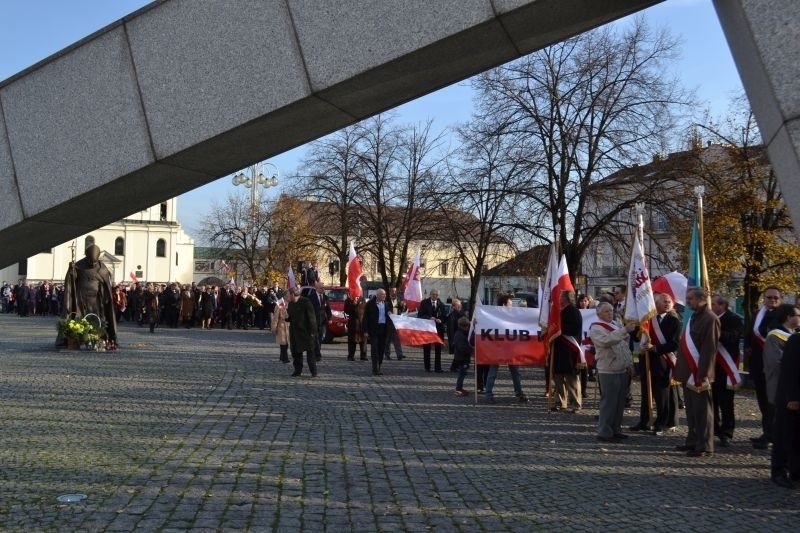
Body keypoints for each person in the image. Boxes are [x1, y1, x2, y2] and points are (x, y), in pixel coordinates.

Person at [675, 287, 721, 457]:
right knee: (692, 411)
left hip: (699, 374)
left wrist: (703, 374)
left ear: (701, 299)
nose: (687, 302)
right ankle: (693, 441)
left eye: (690, 299)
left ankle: (705, 446)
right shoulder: (695, 316)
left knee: (703, 412)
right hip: (688, 372)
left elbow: (710, 349)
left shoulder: (710, 318)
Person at [634, 293, 681, 435]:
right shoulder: (648, 319)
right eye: (664, 301)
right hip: (647, 361)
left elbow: (675, 343)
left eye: (669, 302)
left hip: (663, 361)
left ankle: (661, 423)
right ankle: (645, 421)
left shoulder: (674, 321)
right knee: (646, 393)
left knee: (662, 395)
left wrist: (656, 348)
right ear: (655, 303)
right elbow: (636, 337)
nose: (667, 304)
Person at [590, 302, 636, 443]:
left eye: (611, 311)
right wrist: (624, 331)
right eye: (606, 311)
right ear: (599, 314)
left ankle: (615, 429)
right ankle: (604, 431)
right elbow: (606, 341)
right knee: (609, 402)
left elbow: (624, 346)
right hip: (608, 369)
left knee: (619, 402)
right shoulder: (596, 327)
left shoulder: (616, 324)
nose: (610, 313)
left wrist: (629, 363)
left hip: (621, 367)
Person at [747, 286, 782, 449]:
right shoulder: (757, 314)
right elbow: (749, 333)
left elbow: (767, 333)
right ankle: (766, 432)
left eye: (775, 298)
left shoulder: (782, 316)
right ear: (764, 298)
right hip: (758, 365)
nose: (772, 300)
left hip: (774, 367)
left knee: (772, 403)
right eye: (769, 297)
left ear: (780, 299)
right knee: (762, 402)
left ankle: (772, 435)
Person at [61, 244, 118, 346]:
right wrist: (71, 271)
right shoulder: (79, 265)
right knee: (79, 318)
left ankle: (95, 339)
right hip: (80, 298)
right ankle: (78, 338)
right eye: (90, 261)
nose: (92, 264)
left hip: (95, 300)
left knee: (95, 319)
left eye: (94, 262)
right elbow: (72, 280)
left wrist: (105, 298)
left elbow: (105, 286)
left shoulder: (102, 268)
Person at [711, 294, 744, 447]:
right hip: (712, 366)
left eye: (714, 304)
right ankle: (714, 429)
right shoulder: (709, 318)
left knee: (726, 402)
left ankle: (727, 432)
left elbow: (733, 338)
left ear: (722, 305)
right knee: (713, 401)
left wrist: (716, 332)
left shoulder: (734, 319)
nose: (711, 306)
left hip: (726, 366)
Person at [484, 293, 528, 403]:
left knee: (515, 372)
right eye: (510, 304)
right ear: (504, 305)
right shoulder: (493, 315)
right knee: (493, 371)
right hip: (497, 348)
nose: (512, 306)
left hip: (511, 348)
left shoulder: (513, 316)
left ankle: (519, 392)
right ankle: (488, 394)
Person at [770, 331, 800, 488]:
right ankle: (778, 472)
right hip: (790, 397)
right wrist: (793, 397)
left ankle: (796, 471)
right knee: (784, 435)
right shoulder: (796, 340)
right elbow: (789, 370)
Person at [551, 290, 583, 412]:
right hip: (559, 350)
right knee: (558, 377)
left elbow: (575, 329)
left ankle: (576, 403)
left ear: (565, 298)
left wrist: (559, 328)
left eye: (560, 296)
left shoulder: (574, 311)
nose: (559, 298)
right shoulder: (560, 311)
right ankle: (560, 402)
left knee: (571, 378)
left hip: (569, 350)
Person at [285, 287, 318, 377]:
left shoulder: (306, 302)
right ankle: (297, 370)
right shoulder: (291, 304)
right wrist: (286, 317)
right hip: (295, 332)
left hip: (306, 332)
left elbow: (312, 317)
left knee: (310, 352)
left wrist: (313, 331)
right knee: (295, 352)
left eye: (288, 294)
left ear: (292, 294)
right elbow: (290, 318)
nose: (288, 296)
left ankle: (313, 371)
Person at [363, 289, 391, 376]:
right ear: (377, 295)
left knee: (381, 349)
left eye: (385, 295)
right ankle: (375, 369)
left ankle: (379, 366)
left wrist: (390, 313)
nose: (384, 296)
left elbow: (389, 315)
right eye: (382, 295)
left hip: (384, 329)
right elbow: (365, 318)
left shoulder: (386, 304)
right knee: (374, 349)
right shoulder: (370, 304)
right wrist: (365, 331)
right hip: (374, 329)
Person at [418, 289, 447, 372]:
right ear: (430, 295)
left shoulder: (441, 304)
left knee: (438, 349)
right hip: (427, 329)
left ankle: (438, 367)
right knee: (427, 348)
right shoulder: (424, 303)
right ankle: (427, 367)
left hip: (438, 329)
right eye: (433, 294)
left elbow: (444, 315)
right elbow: (420, 315)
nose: (435, 296)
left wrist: (441, 320)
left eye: (436, 295)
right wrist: (429, 318)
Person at [309, 281, 331, 362]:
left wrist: (330, 318)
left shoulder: (325, 297)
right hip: (313, 321)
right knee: (315, 339)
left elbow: (328, 309)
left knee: (320, 338)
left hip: (322, 322)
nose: (323, 289)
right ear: (316, 288)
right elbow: (309, 310)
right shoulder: (311, 297)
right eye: (321, 288)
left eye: (323, 288)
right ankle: (317, 355)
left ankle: (317, 353)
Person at [453, 316, 474, 396]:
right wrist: (471, 349)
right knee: (461, 374)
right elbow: (462, 348)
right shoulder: (460, 335)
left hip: (462, 357)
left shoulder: (461, 333)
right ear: (465, 326)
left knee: (463, 373)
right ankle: (458, 388)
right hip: (462, 358)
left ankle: (459, 388)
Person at [344, 295, 367, 361]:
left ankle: (363, 356)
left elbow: (365, 309)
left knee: (363, 341)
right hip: (353, 324)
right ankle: (351, 356)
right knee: (352, 341)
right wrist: (354, 304)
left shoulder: (362, 299)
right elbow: (346, 310)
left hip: (361, 323)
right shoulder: (348, 300)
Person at [446, 298, 467, 371]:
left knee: (460, 353)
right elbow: (450, 330)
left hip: (462, 336)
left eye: (460, 305)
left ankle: (456, 366)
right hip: (456, 337)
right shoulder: (451, 316)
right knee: (458, 354)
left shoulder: (462, 314)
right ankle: (454, 367)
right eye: (457, 306)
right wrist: (452, 341)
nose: (459, 307)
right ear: (453, 307)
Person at [385, 287, 405, 360]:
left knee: (397, 340)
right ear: (390, 292)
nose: (394, 292)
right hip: (388, 322)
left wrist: (403, 305)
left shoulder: (398, 299)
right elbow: (385, 308)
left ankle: (399, 355)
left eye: (395, 291)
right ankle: (387, 354)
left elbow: (401, 309)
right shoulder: (386, 299)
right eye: (392, 291)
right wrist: (387, 312)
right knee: (387, 340)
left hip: (396, 322)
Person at [273, 298, 290, 364]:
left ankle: (282, 356)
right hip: (282, 325)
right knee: (283, 342)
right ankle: (285, 358)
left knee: (286, 342)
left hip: (289, 325)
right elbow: (276, 316)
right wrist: (274, 326)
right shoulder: (280, 302)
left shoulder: (292, 301)